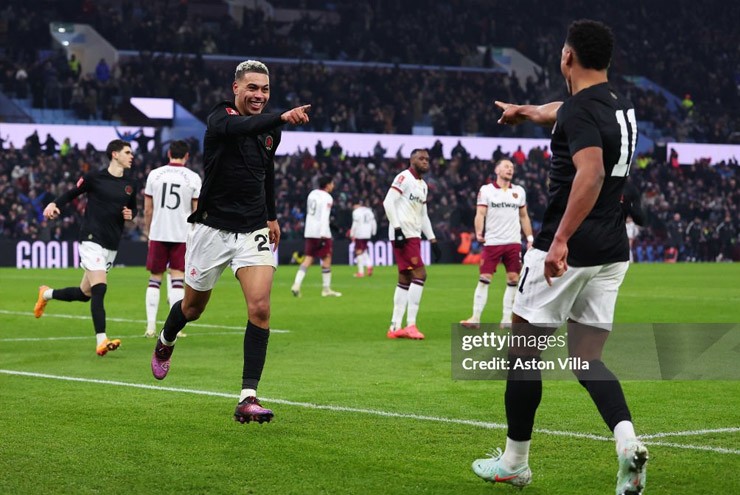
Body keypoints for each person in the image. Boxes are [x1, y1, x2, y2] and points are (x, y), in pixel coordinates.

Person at [471, 20, 648, 495]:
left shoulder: (578, 112)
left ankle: (514, 462)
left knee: (523, 355)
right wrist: (526, 112)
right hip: (613, 249)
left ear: (567, 57)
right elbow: (565, 112)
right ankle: (627, 442)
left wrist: (561, 240)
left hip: (569, 247)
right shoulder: (618, 104)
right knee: (588, 358)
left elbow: (588, 174)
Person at [149, 60, 312, 425]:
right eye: (252, 88)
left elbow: (266, 171)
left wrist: (271, 215)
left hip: (252, 229)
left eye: (265, 90)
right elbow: (244, 126)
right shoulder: (219, 118)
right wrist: (282, 118)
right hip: (212, 229)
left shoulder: (271, 131)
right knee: (192, 308)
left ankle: (247, 396)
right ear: (235, 88)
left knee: (261, 308)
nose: (259, 95)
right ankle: (166, 338)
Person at [33, 139, 137, 356]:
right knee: (101, 287)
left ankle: (46, 294)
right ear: (114, 154)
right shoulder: (94, 178)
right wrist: (54, 204)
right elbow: (72, 193)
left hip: (111, 243)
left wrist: (131, 215)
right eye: (127, 152)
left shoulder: (130, 184)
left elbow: (132, 210)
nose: (131, 156)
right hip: (91, 238)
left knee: (84, 293)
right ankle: (101, 340)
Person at [460, 158, 533, 329]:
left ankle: (507, 319)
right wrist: (479, 231)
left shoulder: (519, 191)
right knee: (485, 278)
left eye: (512, 167)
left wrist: (529, 239)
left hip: (513, 242)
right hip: (493, 242)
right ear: (497, 170)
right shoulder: (486, 190)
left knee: (513, 279)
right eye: (506, 166)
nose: (510, 169)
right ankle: (475, 318)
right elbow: (480, 213)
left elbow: (524, 216)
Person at [143, 140, 202, 338]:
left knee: (155, 279)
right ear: (187, 156)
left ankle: (150, 326)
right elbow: (197, 211)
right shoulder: (193, 178)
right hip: (181, 234)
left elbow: (148, 208)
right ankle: (175, 328)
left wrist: (148, 230)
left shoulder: (155, 175)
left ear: (168, 153)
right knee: (178, 278)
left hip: (158, 232)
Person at [383, 148, 441, 340]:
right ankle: (411, 325)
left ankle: (394, 326)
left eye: (427, 159)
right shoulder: (403, 177)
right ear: (412, 160)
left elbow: (423, 215)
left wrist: (432, 239)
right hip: (404, 234)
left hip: (413, 234)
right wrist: (397, 228)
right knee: (420, 274)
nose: (425, 161)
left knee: (405, 279)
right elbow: (388, 202)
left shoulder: (423, 185)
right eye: (421, 158)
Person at [290, 175, 342, 297]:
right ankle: (326, 289)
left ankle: (296, 284)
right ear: (328, 185)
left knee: (308, 258)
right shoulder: (328, 197)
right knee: (327, 257)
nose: (333, 186)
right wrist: (324, 234)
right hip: (321, 232)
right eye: (332, 183)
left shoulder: (312, 194)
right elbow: (324, 216)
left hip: (309, 231)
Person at [349, 201, 377, 277]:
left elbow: (355, 223)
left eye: (354, 206)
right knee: (363, 250)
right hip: (367, 234)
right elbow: (373, 222)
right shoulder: (369, 211)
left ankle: (361, 272)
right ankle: (369, 265)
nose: (353, 208)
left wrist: (352, 233)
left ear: (357, 205)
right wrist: (373, 232)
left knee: (358, 252)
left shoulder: (356, 212)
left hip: (359, 233)